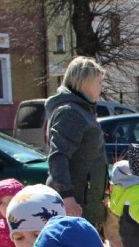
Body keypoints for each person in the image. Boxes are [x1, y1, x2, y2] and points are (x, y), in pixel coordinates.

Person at [45, 56, 108, 227]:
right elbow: (58, 155)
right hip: (76, 205)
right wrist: (67, 196)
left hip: (85, 202)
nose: (101, 88)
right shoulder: (70, 112)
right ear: (85, 82)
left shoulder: (81, 110)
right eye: (99, 82)